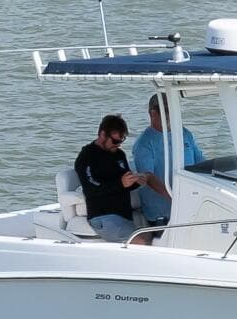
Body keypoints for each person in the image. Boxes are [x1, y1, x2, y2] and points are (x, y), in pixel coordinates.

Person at [132, 93, 204, 227]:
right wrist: (176, 198)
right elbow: (148, 177)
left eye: (173, 109)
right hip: (161, 215)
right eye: (167, 110)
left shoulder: (185, 134)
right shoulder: (144, 143)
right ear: (153, 113)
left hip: (190, 207)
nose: (172, 114)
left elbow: (201, 164)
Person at [74, 113, 141, 242]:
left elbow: (125, 183)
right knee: (141, 240)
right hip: (103, 216)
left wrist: (137, 181)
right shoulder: (87, 157)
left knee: (152, 235)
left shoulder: (119, 154)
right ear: (102, 134)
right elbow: (91, 190)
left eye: (122, 141)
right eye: (115, 141)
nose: (118, 145)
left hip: (124, 215)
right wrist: (121, 184)